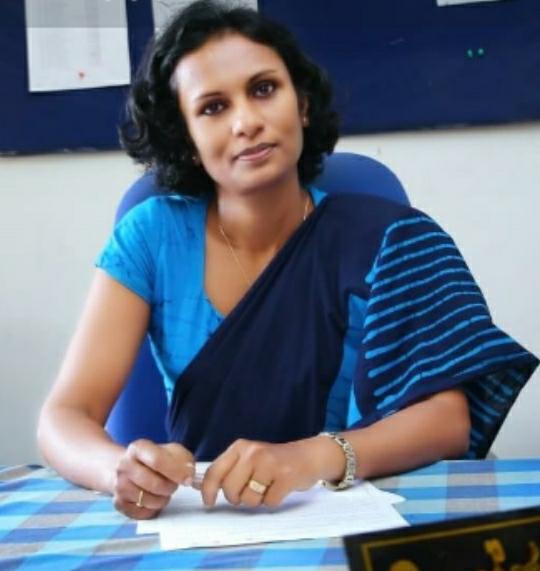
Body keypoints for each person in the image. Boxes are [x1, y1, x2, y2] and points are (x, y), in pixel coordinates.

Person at [37, 0, 538, 521]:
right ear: (186, 140)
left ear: (301, 105)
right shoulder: (152, 237)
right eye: (213, 107)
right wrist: (119, 470)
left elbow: (448, 421)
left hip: (361, 508)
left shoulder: (389, 238)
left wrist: (311, 458)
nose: (246, 121)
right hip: (207, 519)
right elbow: (65, 416)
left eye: (263, 89)